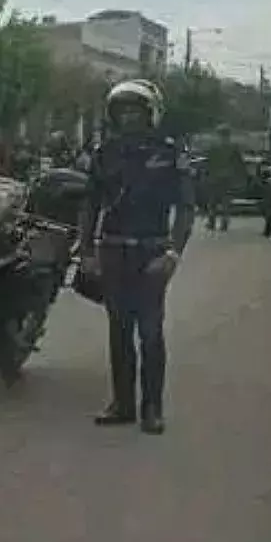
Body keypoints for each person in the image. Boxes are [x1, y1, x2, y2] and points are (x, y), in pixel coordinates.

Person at [78, 79, 193, 435]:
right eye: (122, 110)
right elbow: (89, 204)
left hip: (152, 252)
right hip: (113, 250)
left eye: (135, 110)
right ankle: (122, 404)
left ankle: (153, 409)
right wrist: (86, 252)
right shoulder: (105, 153)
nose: (128, 117)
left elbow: (186, 208)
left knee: (150, 333)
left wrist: (173, 252)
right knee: (119, 332)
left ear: (151, 114)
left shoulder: (170, 153)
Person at [199, 125, 246, 231]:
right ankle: (224, 222)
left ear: (218, 134)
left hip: (214, 176)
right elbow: (239, 163)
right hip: (228, 176)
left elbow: (208, 161)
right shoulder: (233, 146)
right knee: (226, 200)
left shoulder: (213, 146)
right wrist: (241, 176)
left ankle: (212, 222)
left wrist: (205, 174)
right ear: (229, 134)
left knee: (212, 201)